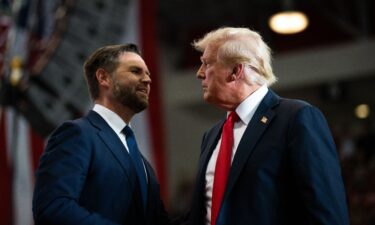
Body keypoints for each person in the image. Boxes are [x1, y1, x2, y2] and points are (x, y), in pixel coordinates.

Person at [187, 27, 350, 225]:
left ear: (235, 71)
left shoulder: (296, 118)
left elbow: (327, 214)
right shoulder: (212, 135)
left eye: (206, 63)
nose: (199, 73)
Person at [32, 44, 169, 225]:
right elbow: (53, 207)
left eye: (148, 74)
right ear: (104, 78)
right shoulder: (77, 135)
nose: (147, 80)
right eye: (136, 71)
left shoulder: (142, 163)